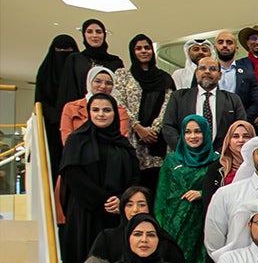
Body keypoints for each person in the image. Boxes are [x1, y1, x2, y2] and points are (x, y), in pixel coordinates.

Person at [60, 93, 138, 263]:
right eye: (96, 110)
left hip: (116, 216)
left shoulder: (123, 144)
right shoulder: (77, 140)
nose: (102, 115)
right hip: (85, 214)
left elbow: (134, 177)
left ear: (115, 114)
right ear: (89, 112)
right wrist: (103, 199)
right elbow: (73, 175)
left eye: (107, 110)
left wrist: (121, 200)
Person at [155, 114, 219, 263]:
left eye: (198, 131)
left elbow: (220, 191)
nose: (193, 136)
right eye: (189, 132)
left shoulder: (216, 160)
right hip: (176, 225)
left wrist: (202, 194)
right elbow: (161, 196)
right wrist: (160, 229)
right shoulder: (172, 161)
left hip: (203, 224)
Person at [113, 33, 174, 187]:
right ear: (132, 52)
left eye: (147, 47)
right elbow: (119, 103)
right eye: (138, 48)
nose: (143, 51)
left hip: (157, 140)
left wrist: (153, 130)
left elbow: (168, 104)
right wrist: (137, 127)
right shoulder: (123, 76)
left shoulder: (164, 77)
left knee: (157, 185)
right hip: (132, 138)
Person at [161, 57, 247, 153]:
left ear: (220, 75)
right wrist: (185, 150)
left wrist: (220, 153)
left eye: (213, 69)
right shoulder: (178, 97)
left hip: (222, 159)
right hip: (186, 158)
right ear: (196, 73)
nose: (207, 72)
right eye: (202, 68)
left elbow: (241, 128)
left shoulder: (233, 99)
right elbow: (168, 126)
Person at [34, 32, 79, 174]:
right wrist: (57, 117)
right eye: (59, 50)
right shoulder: (44, 72)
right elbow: (40, 100)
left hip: (76, 125)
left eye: (68, 50)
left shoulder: (78, 71)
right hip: (51, 128)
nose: (63, 53)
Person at [59, 65, 132, 143]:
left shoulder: (120, 111)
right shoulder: (71, 107)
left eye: (108, 83)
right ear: (89, 82)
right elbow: (67, 139)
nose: (103, 86)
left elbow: (121, 139)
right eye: (98, 81)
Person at [62, 18, 125, 107]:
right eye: (89, 31)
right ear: (84, 34)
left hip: (107, 112)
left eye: (99, 32)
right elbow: (68, 89)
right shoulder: (75, 59)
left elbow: (118, 92)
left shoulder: (115, 62)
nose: (94, 35)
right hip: (79, 111)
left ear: (104, 35)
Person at [214, 120, 256, 187]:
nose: (241, 140)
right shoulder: (216, 167)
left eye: (246, 136)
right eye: (235, 136)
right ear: (228, 140)